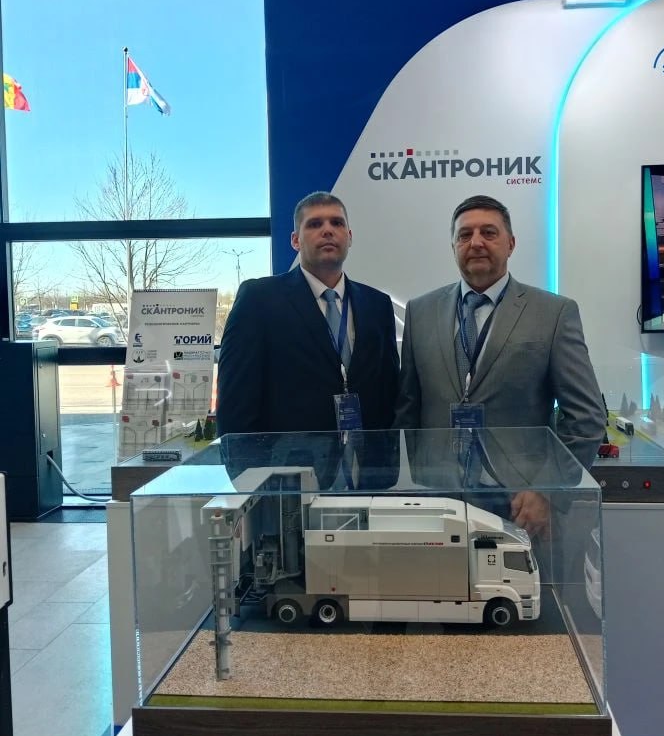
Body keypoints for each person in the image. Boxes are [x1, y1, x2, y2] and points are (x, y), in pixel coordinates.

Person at [395, 194, 605, 533]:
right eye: (465, 235)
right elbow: (408, 408)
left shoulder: (553, 313)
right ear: (453, 246)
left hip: (518, 500)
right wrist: (405, 485)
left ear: (511, 244)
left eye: (489, 233)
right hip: (437, 495)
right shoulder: (421, 312)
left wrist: (547, 490)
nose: (476, 242)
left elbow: (587, 419)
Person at [216, 191, 399, 435]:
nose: (327, 230)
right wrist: (245, 459)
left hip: (367, 455)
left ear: (349, 237)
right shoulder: (258, 300)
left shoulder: (377, 304)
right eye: (314, 224)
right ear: (295, 240)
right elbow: (235, 402)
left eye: (337, 223)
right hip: (288, 457)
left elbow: (389, 393)